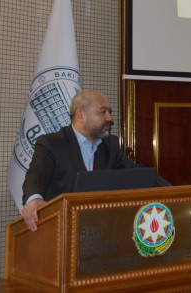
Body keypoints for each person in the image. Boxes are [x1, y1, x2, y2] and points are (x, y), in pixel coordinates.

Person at [21, 89, 143, 231]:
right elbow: (36, 175)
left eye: (109, 112)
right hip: (62, 227)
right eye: (103, 112)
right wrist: (34, 200)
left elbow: (136, 174)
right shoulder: (52, 143)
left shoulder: (110, 145)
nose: (110, 118)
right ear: (80, 115)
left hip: (101, 228)